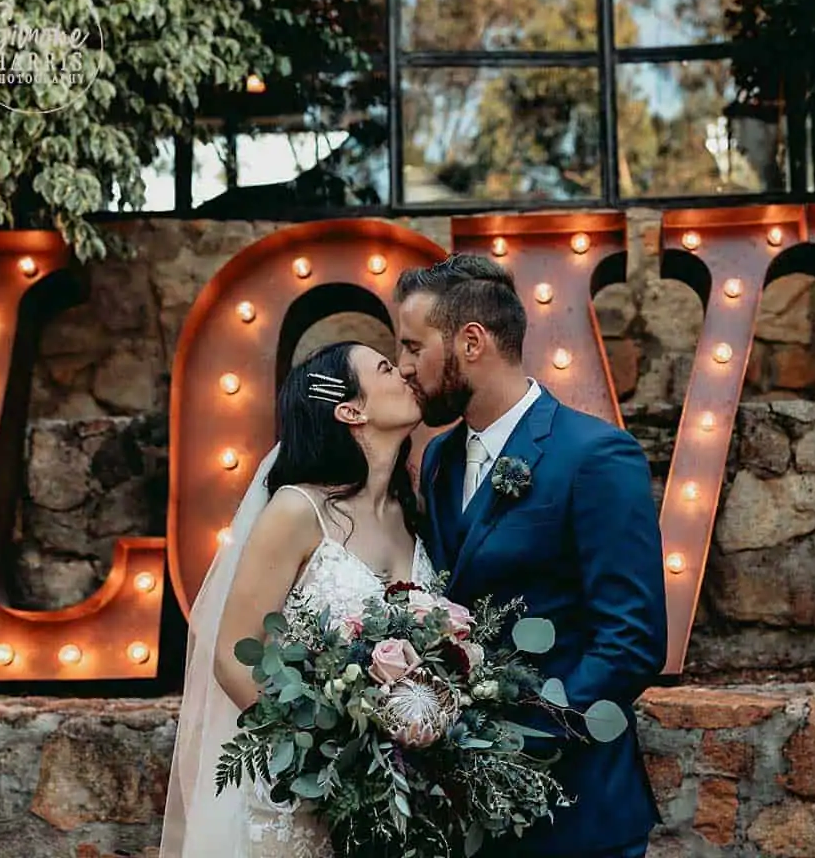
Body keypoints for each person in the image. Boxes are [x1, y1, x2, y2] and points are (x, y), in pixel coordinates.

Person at [394, 254, 668, 858]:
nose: (404, 366)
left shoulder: (597, 456)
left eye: (413, 346)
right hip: (465, 816)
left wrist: (515, 741)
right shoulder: (438, 459)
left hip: (577, 810)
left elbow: (631, 641)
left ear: (471, 342)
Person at [160, 341, 430, 857]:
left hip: (398, 802)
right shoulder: (296, 510)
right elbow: (231, 657)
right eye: (385, 368)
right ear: (351, 411)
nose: (404, 372)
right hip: (300, 799)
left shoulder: (411, 511)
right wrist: (322, 755)